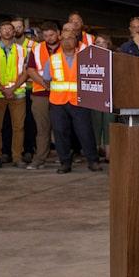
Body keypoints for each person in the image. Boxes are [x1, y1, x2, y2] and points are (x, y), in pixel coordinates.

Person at [39, 29, 101, 173]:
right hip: (58, 103)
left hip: (79, 101)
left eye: (70, 38)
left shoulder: (85, 58)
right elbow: (46, 80)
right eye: (64, 38)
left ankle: (93, 161)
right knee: (60, 132)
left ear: (77, 41)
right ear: (60, 41)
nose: (67, 41)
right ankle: (65, 163)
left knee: (85, 132)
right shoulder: (53, 59)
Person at [0, 22, 28, 169]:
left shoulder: (23, 50)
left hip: (18, 94)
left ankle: (17, 157)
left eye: (10, 29)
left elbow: (26, 72)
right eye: (4, 29)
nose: (7, 31)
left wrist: (12, 89)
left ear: (14, 32)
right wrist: (4, 90)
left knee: (19, 127)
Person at [23, 21, 60, 170]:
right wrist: (44, 83)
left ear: (58, 33)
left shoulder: (66, 48)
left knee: (61, 127)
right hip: (40, 94)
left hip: (62, 94)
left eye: (51, 35)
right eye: (46, 35)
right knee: (42, 128)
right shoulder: (36, 48)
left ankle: (64, 157)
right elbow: (30, 70)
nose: (49, 38)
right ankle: (40, 159)